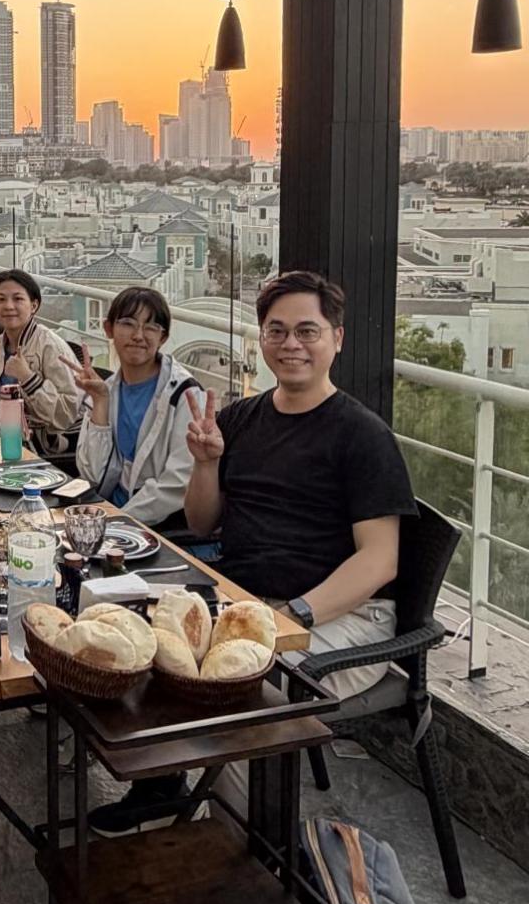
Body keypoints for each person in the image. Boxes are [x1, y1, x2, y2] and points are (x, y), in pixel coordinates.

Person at [89, 271, 417, 835]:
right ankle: (161, 785)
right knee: (134, 638)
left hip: (343, 617)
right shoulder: (243, 418)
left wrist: (296, 614)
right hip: (246, 601)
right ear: (262, 339)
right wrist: (207, 464)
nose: (292, 345)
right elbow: (202, 521)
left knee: (236, 688)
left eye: (308, 331)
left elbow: (379, 559)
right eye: (277, 331)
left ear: (337, 338)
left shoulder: (362, 435)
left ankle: (252, 848)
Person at [67, 287, 200, 527]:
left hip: (158, 525)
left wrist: (120, 521)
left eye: (151, 327)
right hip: (107, 515)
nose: (138, 335)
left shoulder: (184, 394)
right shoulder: (107, 389)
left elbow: (178, 483)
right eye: (128, 324)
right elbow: (93, 475)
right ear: (109, 329)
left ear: (163, 337)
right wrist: (100, 402)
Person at [0, 270, 81, 449]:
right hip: (10, 438)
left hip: (52, 446)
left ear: (34, 305)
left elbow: (66, 415)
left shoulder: (51, 346)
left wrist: (28, 378)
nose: (9, 306)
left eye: (18, 299)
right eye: (1, 299)